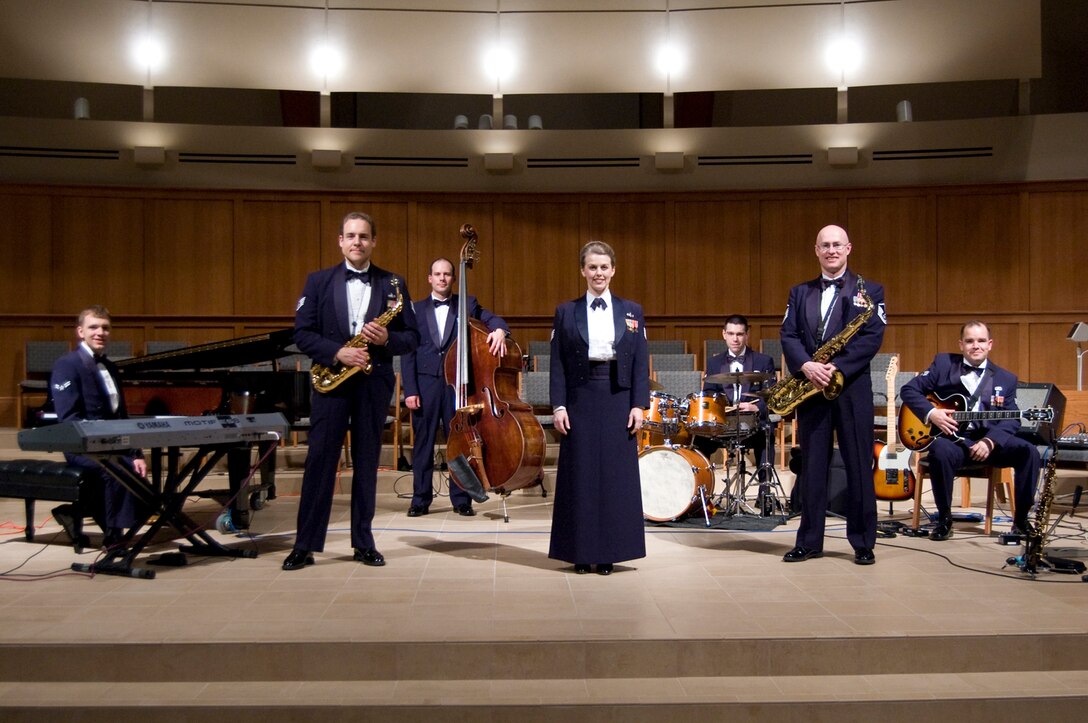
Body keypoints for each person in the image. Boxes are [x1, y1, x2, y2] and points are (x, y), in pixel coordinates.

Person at [284, 212, 419, 571]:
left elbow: (413, 338)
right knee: (320, 462)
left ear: (374, 241)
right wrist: (338, 352)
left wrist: (388, 337)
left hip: (372, 385)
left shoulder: (394, 283)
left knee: (366, 464)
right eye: (350, 236)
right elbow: (301, 332)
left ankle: (363, 542)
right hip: (331, 382)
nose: (357, 242)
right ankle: (304, 545)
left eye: (363, 236)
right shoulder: (318, 282)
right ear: (340, 241)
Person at [780, 224, 886, 565]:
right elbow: (788, 334)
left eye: (837, 245)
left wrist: (835, 368)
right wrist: (808, 366)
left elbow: (871, 338)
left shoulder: (871, 291)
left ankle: (863, 542)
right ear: (816, 250)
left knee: (858, 464)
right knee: (812, 467)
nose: (831, 250)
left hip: (852, 389)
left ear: (849, 248)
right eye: (825, 245)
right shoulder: (799, 293)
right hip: (811, 387)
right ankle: (809, 541)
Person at [549, 240, 649, 575]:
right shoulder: (566, 311)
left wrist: (638, 404)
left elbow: (639, 362)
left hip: (618, 397)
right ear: (582, 271)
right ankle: (579, 552)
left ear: (613, 270)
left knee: (614, 479)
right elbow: (558, 364)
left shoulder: (632, 310)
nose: (598, 273)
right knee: (580, 477)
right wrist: (559, 406)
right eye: (592, 267)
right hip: (580, 396)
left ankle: (608, 553)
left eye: (604, 267)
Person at [900, 321, 1040, 540]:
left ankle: (1021, 521)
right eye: (970, 341)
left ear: (990, 344)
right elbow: (909, 390)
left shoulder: (1006, 378)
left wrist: (990, 442)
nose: (976, 346)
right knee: (940, 451)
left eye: (981, 341)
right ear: (961, 344)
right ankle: (944, 519)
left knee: (1028, 451)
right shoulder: (943, 364)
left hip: (988, 443)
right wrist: (932, 413)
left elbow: (1012, 419)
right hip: (953, 441)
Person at [402, 257, 509, 517]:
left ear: (452, 278)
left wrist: (499, 331)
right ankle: (420, 499)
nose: (442, 278)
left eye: (447, 274)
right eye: (437, 274)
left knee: (459, 444)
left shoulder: (467, 304)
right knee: (423, 445)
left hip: (457, 386)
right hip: (425, 385)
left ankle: (461, 499)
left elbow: (492, 318)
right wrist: (411, 390)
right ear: (429, 278)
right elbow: (408, 353)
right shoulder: (414, 310)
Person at [49, 305, 146, 549]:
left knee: (134, 469)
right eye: (93, 327)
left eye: (105, 328)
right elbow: (69, 417)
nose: (100, 332)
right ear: (80, 332)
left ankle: (79, 514)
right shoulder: (67, 364)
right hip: (81, 446)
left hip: (111, 443)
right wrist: (103, 448)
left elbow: (121, 415)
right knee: (113, 469)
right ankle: (114, 535)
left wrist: (136, 452)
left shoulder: (111, 367)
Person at [696, 314, 778, 480]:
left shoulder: (763, 361)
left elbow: (771, 395)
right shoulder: (714, 363)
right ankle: (704, 493)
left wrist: (756, 407)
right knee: (699, 438)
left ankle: (764, 491)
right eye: (731, 334)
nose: (735, 339)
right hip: (724, 424)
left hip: (752, 423)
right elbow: (709, 395)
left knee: (767, 432)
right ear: (724, 334)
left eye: (740, 334)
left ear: (747, 335)